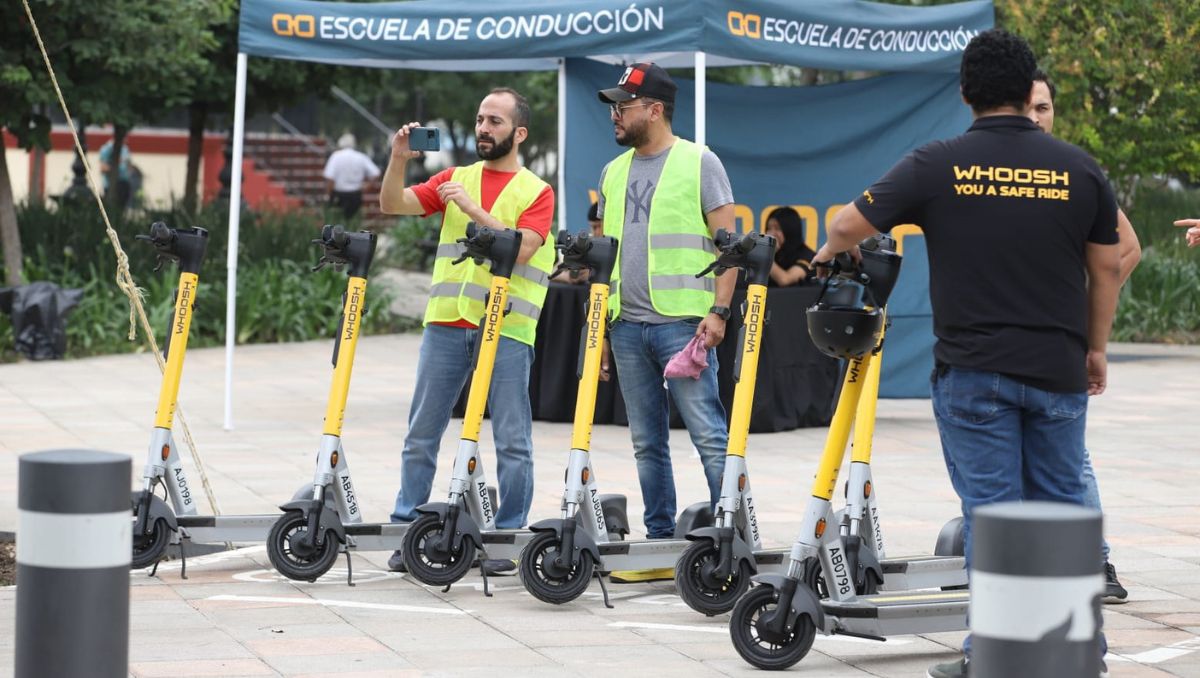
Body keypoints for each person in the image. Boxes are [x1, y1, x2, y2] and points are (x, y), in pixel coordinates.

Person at [811, 30, 1121, 678]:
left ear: (965, 93)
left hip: (974, 377)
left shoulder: (936, 163)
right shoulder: (1079, 168)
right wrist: (1095, 350)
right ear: (1029, 86)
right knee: (1064, 511)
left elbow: (846, 226)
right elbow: (1110, 268)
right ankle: (1078, 655)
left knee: (992, 515)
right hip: (1059, 373)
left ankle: (996, 657)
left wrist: (824, 251)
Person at [378, 88, 555, 576]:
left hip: (509, 328)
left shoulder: (536, 190)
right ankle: (405, 530)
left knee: (513, 440)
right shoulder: (454, 177)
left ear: (518, 133)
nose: (483, 128)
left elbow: (522, 250)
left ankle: (505, 537)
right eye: (479, 119)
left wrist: (473, 210)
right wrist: (397, 160)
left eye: (494, 121)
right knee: (421, 434)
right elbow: (393, 204)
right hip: (447, 323)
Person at [594, 62, 737, 582]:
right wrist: (606, 331)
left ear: (654, 110)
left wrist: (718, 312)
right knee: (645, 441)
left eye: (624, 106)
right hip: (627, 325)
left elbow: (730, 248)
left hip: (686, 326)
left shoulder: (700, 162)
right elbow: (609, 257)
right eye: (613, 106)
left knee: (708, 435)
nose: (615, 115)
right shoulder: (612, 172)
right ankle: (659, 542)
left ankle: (733, 537)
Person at [1031, 69, 1141, 604]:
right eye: (1028, 107)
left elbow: (1127, 249)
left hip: (1057, 345)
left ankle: (1097, 564)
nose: (1036, 117)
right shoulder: (987, 165)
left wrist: (1086, 318)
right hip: (996, 343)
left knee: (1070, 458)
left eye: (1044, 107)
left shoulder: (1073, 171)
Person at [324, 133, 381, 219]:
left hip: (339, 194)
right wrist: (367, 186)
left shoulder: (336, 156)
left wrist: (328, 194)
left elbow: (330, 178)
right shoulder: (361, 157)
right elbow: (376, 173)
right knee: (353, 221)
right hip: (355, 194)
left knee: (336, 221)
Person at [550, 202, 604, 284]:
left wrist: (592, 275)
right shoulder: (585, 245)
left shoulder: (614, 248)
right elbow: (553, 271)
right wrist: (568, 277)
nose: (597, 231)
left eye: (599, 226)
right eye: (593, 227)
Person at [763, 206, 816, 287]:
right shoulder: (776, 254)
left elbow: (785, 280)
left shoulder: (808, 256)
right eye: (769, 228)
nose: (771, 233)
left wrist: (766, 255)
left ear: (790, 231)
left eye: (777, 229)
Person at [98, 138, 132, 208]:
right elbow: (103, 168)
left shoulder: (125, 148)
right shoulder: (107, 149)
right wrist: (115, 167)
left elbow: (128, 165)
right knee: (112, 208)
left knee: (122, 208)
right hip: (111, 185)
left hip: (124, 184)